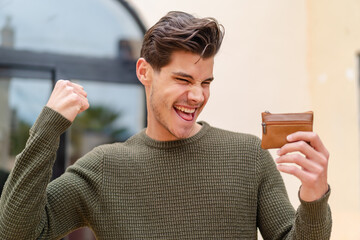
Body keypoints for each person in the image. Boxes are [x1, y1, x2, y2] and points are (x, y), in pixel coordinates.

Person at [0, 11, 331, 239]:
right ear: (145, 72)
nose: (197, 95)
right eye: (183, 79)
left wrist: (314, 197)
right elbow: (16, 232)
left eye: (206, 82)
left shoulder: (248, 157)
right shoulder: (104, 168)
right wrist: (46, 130)